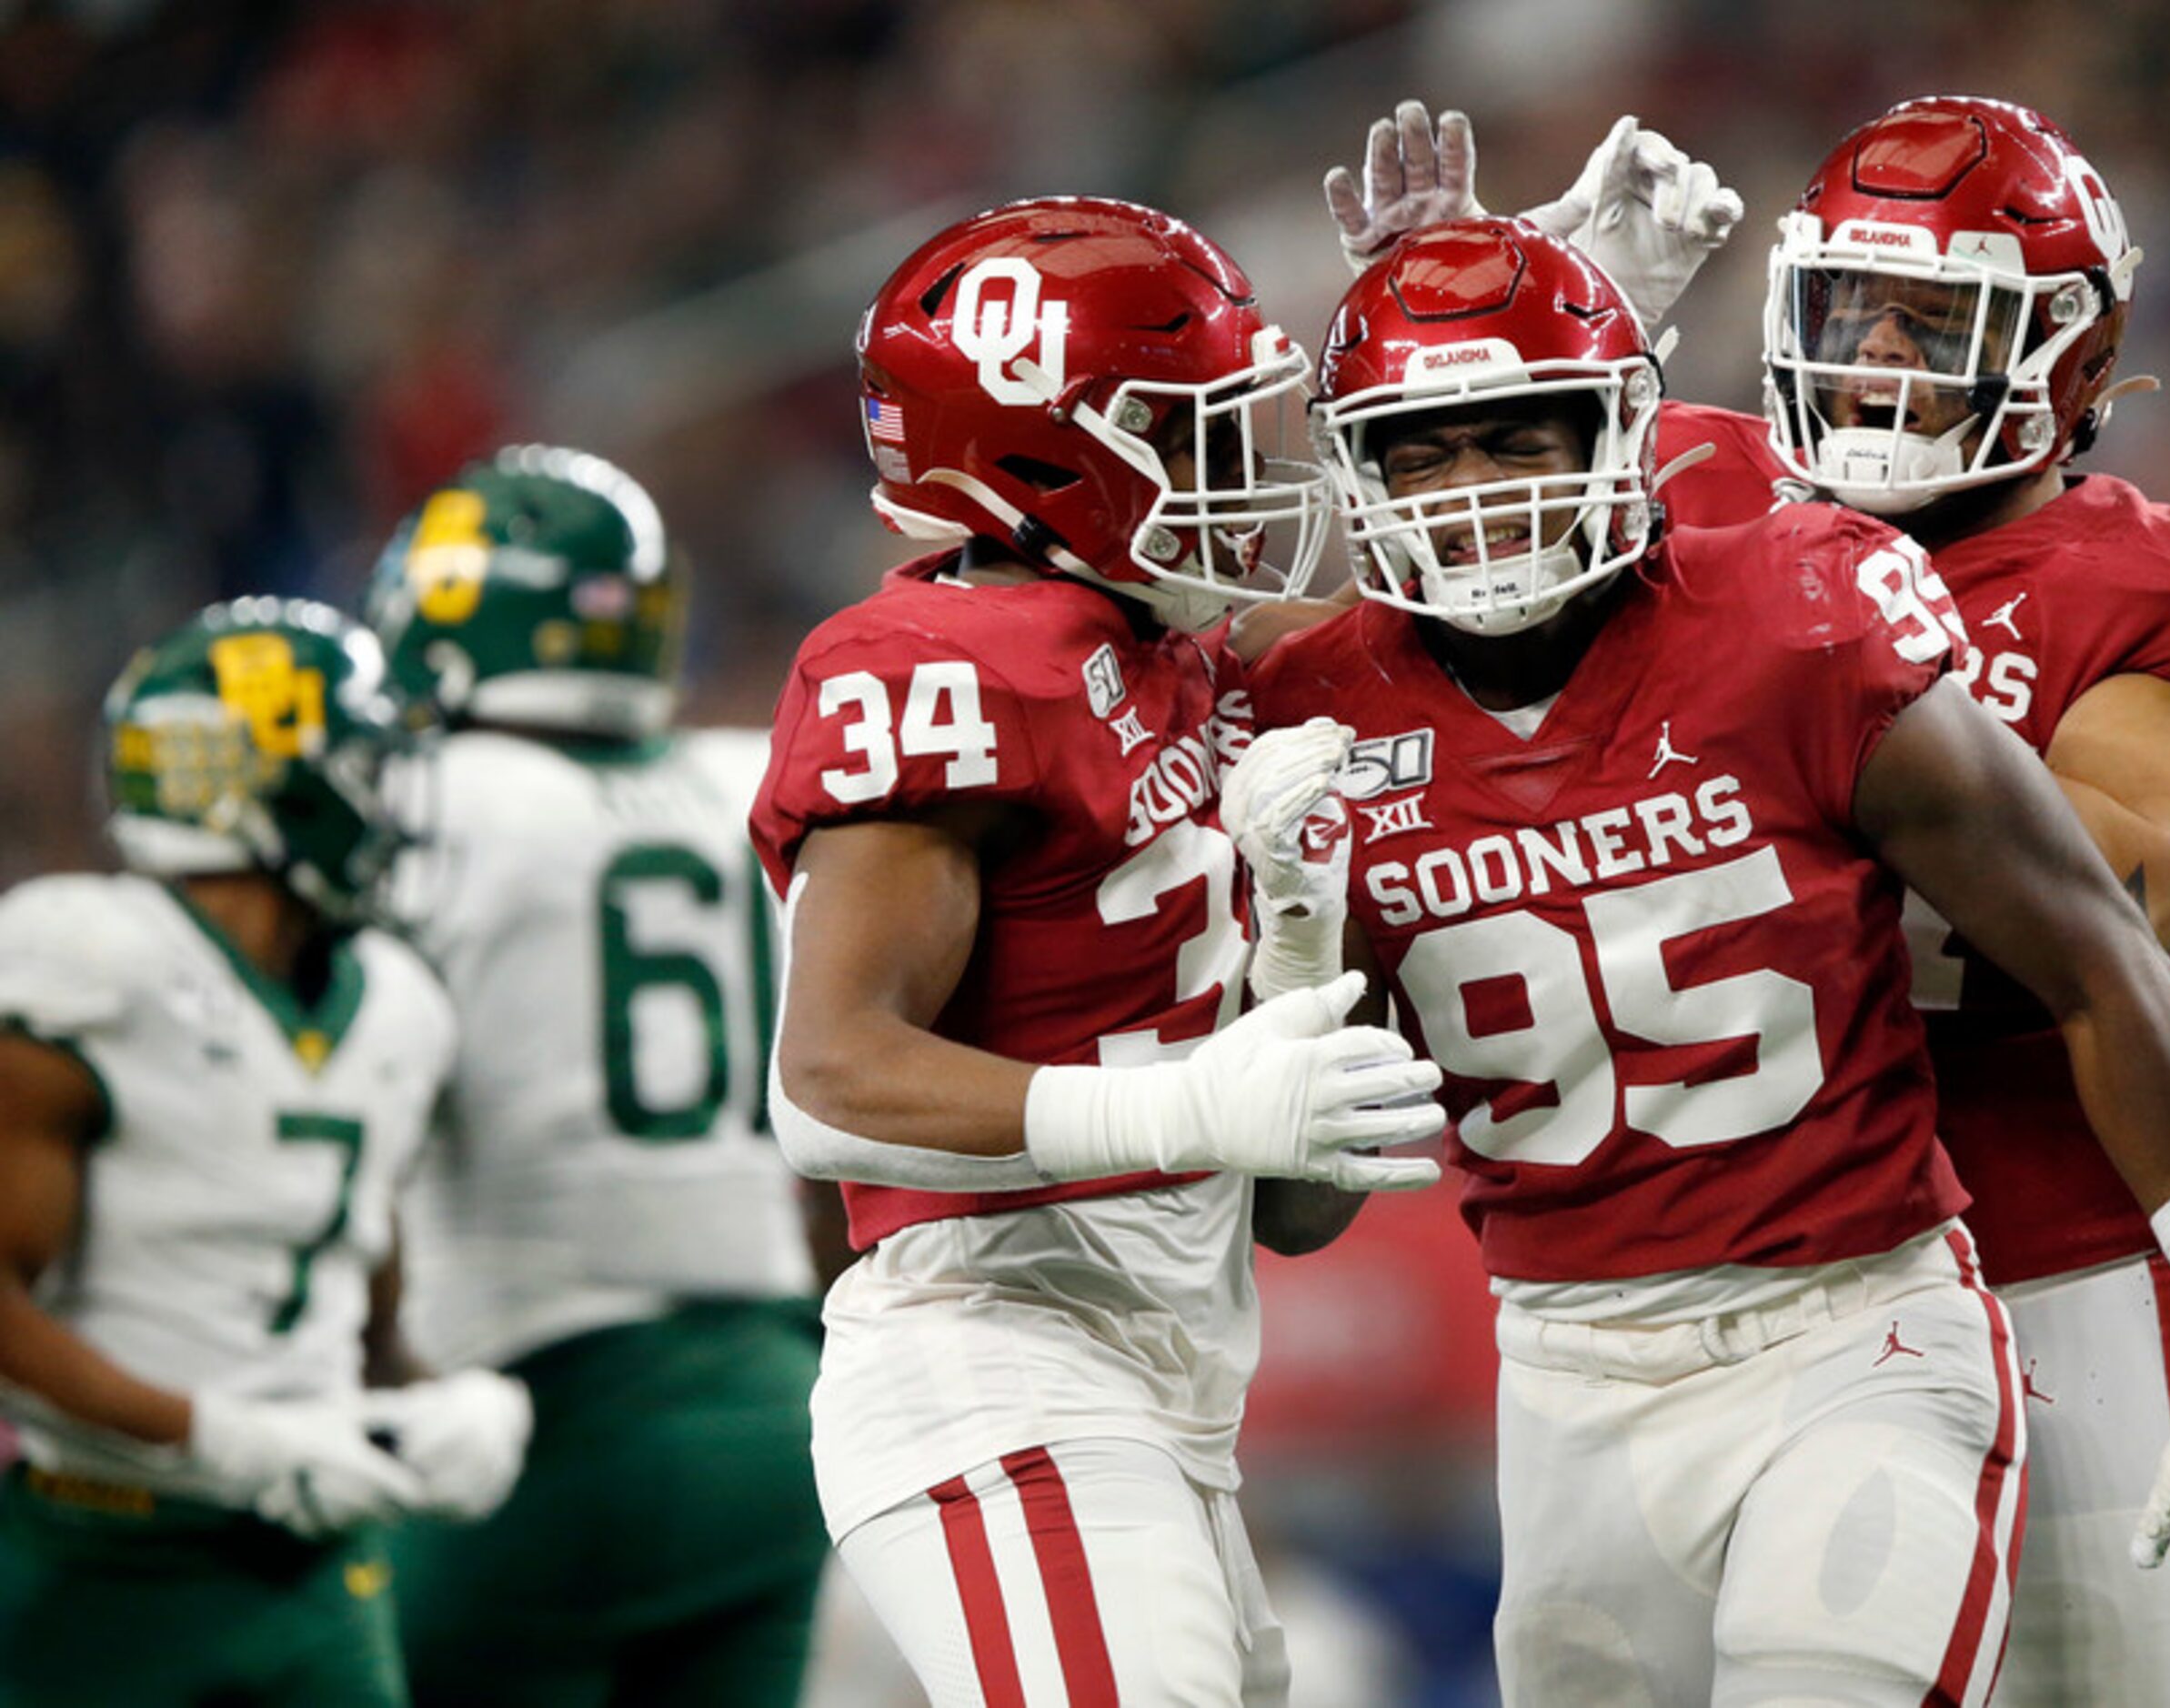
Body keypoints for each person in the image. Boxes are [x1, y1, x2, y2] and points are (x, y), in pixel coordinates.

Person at [1326, 96, 2170, 1704]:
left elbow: (2110, 893)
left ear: (2069, 356)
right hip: (1785, 1288)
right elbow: (1412, 594)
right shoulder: (1708, 518)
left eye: (1933, 321)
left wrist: (1820, 718)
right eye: (1846, 311)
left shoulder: (2164, 580)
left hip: (2078, 1253)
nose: (1874, 361)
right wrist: (1490, 317)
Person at [749, 196, 1449, 1705]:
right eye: (1188, 435)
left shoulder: (1173, 649)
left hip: (1173, 1392)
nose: (1239, 476)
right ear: (1045, 450)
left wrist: (1298, 952)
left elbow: (1294, 1215)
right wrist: (1180, 1111)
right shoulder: (935, 665)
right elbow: (823, 1078)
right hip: (992, 1359)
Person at [360, 446, 830, 1707]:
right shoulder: (755, 781)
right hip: (770, 1406)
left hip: (529, 1394)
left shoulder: (420, 801)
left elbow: (335, 1104)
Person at [0, 598, 529, 1708]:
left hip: (318, 1581)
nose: (388, 803)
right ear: (265, 780)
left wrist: (444, 1404)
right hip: (99, 1565)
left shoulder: (395, 1004)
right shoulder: (92, 965)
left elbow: (358, 1314)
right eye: (360, 766)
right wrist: (218, 1437)